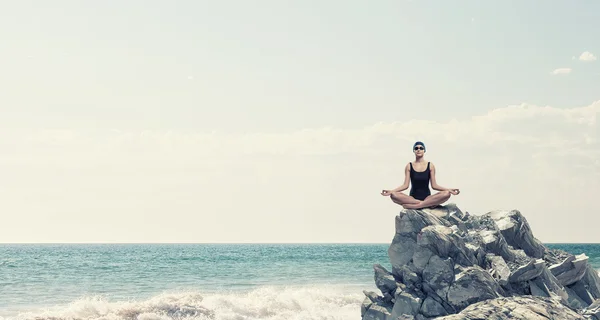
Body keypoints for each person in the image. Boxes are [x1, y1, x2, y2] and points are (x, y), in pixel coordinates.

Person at [380, 141, 460, 209]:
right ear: (414, 151)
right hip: (412, 199)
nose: (418, 150)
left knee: (446, 194)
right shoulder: (409, 165)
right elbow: (405, 185)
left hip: (428, 198)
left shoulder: (430, 165)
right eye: (416, 148)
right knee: (393, 195)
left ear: (424, 150)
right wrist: (391, 191)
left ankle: (417, 206)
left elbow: (434, 185)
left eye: (421, 148)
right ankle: (425, 204)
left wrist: (449, 190)